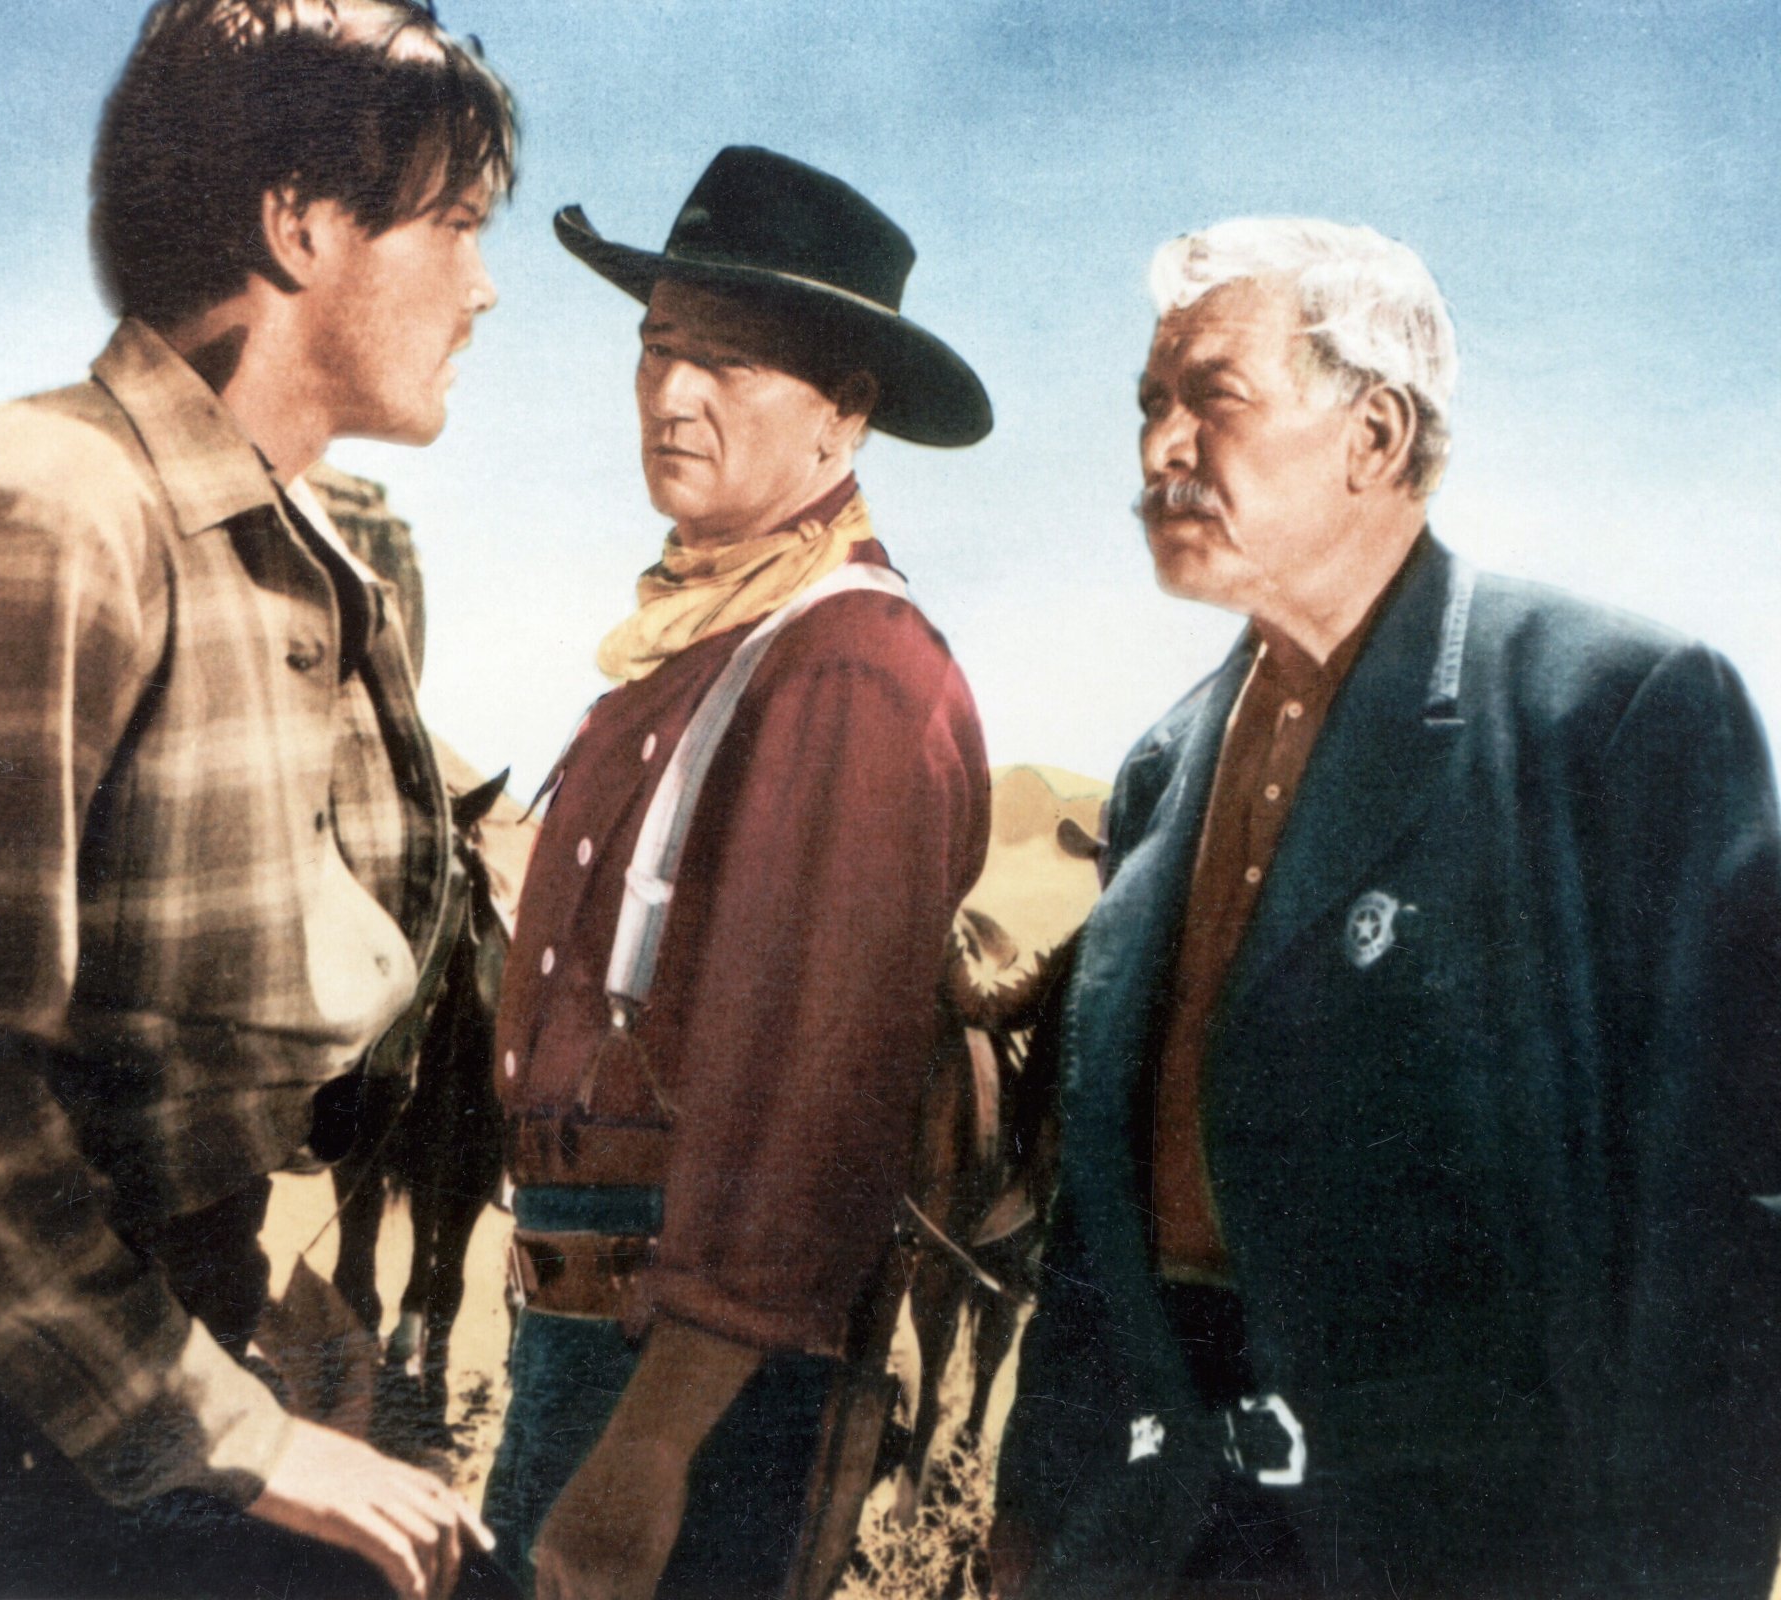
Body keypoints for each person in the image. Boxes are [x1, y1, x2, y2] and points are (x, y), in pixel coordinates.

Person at [0, 4, 515, 1597]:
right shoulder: (41, 515)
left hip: (157, 1364)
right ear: (301, 223)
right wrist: (226, 1432)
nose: (484, 282)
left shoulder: (285, 551)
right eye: (454, 223)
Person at [992, 218, 1781, 1597]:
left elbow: (1723, 1231)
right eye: (1150, 405)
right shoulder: (1162, 769)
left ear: (1372, 434)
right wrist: (1033, 1506)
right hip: (1154, 1544)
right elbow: (1097, 1209)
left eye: (1212, 400)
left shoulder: (1617, 716)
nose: (1162, 446)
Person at [483, 146, 992, 1600]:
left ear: (847, 411)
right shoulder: (695, 647)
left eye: (734, 364)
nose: (670, 395)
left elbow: (806, 1106)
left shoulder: (848, 669)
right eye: (658, 348)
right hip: (588, 1330)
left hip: (688, 1370)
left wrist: (649, 1452)